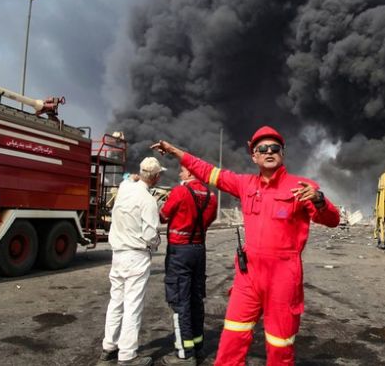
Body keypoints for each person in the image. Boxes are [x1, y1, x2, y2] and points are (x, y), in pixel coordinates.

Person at [151, 126, 340, 365]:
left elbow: (332, 220)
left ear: (282, 153)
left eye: (275, 148)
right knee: (231, 340)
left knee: (279, 347)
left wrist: (320, 200)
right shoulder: (245, 184)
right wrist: (174, 151)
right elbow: (208, 171)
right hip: (248, 276)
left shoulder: (302, 187)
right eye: (262, 148)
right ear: (254, 156)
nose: (269, 151)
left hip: (283, 277)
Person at [99, 157, 165, 366]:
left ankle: (109, 347)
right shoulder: (148, 200)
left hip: (117, 254)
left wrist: (133, 178)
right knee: (133, 305)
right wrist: (157, 242)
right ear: (156, 177)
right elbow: (150, 235)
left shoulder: (124, 188)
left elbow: (128, 179)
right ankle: (127, 355)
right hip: (136, 256)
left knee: (116, 302)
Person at [160, 166, 218, 365]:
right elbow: (209, 219)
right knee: (196, 298)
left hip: (179, 252)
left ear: (191, 173)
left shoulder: (180, 191)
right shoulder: (211, 196)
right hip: (199, 250)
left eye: (182, 171)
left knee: (180, 300)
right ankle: (198, 345)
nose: (180, 174)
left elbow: (163, 216)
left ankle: (185, 352)